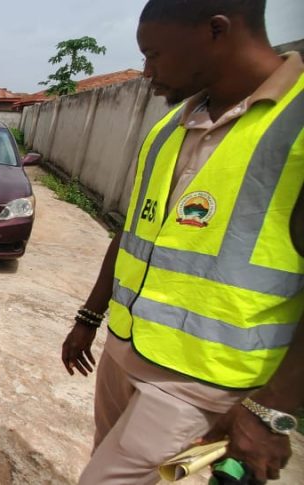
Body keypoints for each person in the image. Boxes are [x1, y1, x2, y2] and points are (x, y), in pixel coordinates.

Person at [60, 1, 303, 483]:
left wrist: (270, 408)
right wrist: (90, 317)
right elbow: (133, 231)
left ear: (217, 31)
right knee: (104, 461)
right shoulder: (168, 128)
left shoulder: (294, 126)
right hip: (124, 350)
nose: (146, 73)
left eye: (154, 55)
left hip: (200, 380)